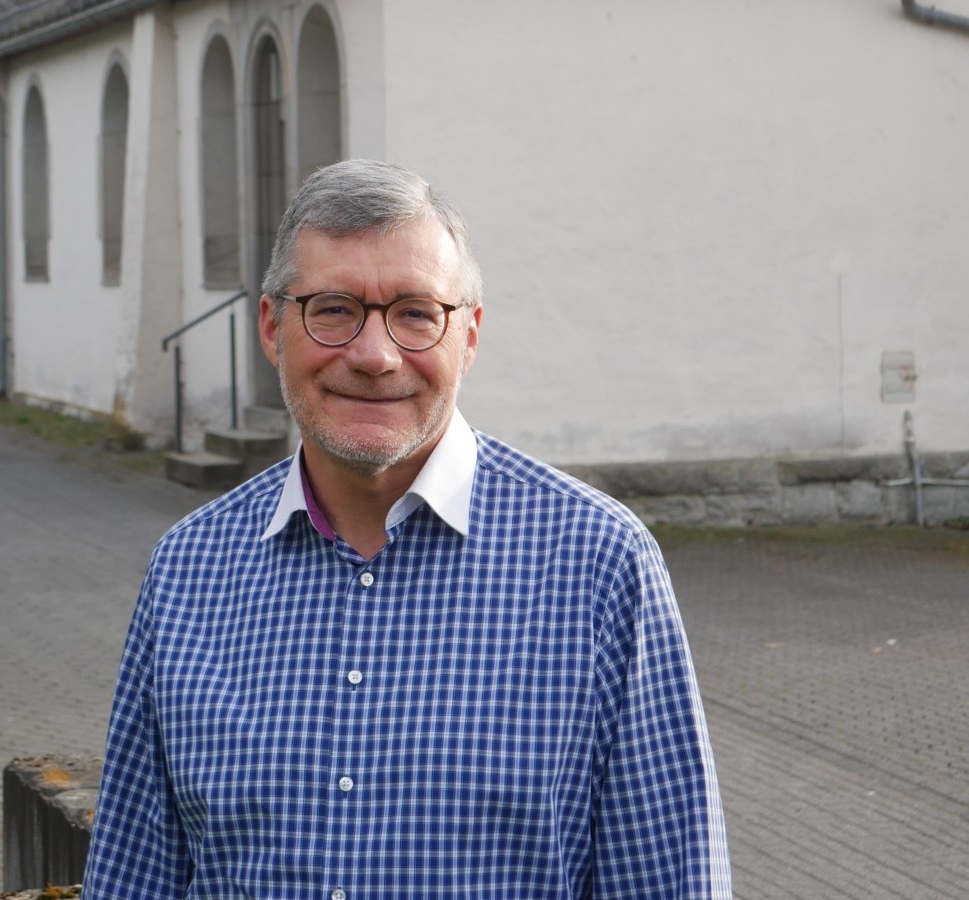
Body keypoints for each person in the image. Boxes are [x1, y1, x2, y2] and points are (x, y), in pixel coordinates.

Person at [82, 159, 731, 898]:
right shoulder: (190, 571)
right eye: (333, 308)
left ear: (471, 336)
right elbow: (133, 877)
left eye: (416, 313)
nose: (375, 355)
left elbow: (670, 883)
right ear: (271, 327)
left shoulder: (600, 566)